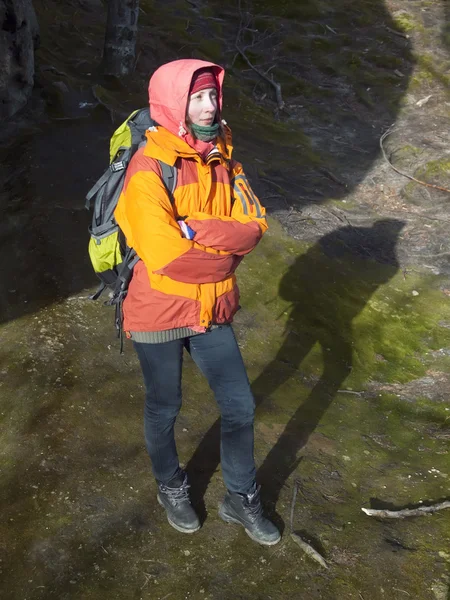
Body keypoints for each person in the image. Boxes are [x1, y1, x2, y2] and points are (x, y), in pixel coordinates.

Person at [114, 59, 280, 546]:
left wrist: (198, 230)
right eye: (197, 97)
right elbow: (165, 255)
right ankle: (171, 485)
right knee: (165, 406)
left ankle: (240, 496)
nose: (209, 105)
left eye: (213, 96)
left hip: (212, 309)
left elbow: (255, 225)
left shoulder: (225, 157)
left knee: (240, 406)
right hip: (159, 310)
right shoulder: (148, 168)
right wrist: (224, 257)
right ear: (173, 103)